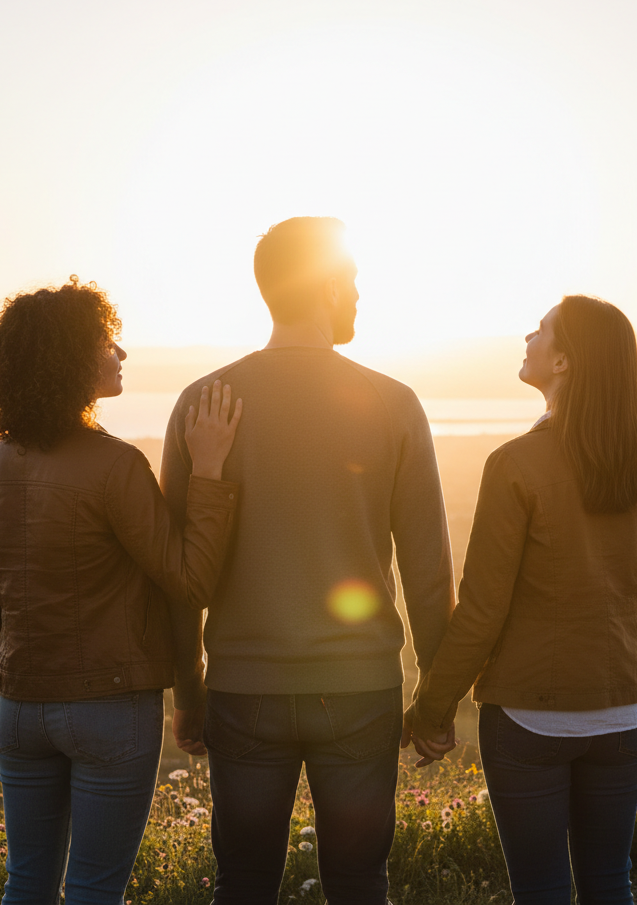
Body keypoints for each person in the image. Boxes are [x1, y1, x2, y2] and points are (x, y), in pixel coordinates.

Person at [160, 217, 455, 905]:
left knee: (245, 882)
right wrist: (435, 701)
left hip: (242, 690)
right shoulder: (394, 403)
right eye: (351, 280)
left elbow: (178, 575)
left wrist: (189, 691)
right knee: (357, 881)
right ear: (324, 284)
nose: (357, 295)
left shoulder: (203, 403)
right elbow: (428, 571)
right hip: (358, 691)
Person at [0, 276, 243, 904]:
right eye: (106, 341)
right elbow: (191, 580)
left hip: (19, 708)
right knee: (94, 889)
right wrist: (210, 470)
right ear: (70, 359)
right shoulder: (116, 465)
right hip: (110, 708)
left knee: (24, 886)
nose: (121, 353)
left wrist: (13, 691)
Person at [406, 294, 637, 905]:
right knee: (610, 884)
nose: (529, 335)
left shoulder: (515, 464)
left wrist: (432, 708)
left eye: (542, 329)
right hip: (626, 710)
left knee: (542, 890)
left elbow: (481, 610)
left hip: (530, 718)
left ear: (565, 362)